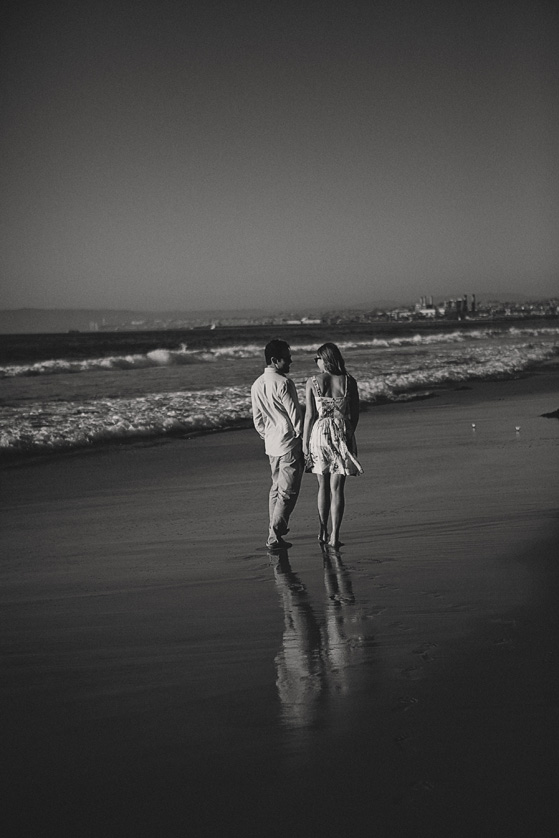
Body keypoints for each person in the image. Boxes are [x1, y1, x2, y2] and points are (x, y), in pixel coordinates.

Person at [303, 342, 363, 549]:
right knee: (337, 489)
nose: (316, 362)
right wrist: (348, 433)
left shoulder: (313, 382)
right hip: (342, 433)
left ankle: (322, 529)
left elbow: (310, 416)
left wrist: (305, 444)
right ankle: (335, 536)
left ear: (324, 359)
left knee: (322, 486)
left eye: (316, 359)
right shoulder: (349, 381)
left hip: (319, 434)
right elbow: (354, 415)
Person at [251, 339, 304, 549]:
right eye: (287, 357)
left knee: (276, 490)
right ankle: (274, 535)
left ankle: (274, 535)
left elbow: (258, 420)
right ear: (275, 360)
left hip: (272, 444)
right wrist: (302, 440)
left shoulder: (257, 384)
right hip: (289, 443)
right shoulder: (284, 383)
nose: (290, 361)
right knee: (288, 492)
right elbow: (295, 417)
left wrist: (267, 435)